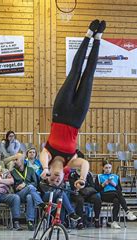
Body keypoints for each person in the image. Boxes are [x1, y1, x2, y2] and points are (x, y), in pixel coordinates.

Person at [39, 20, 106, 190]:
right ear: (63, 177)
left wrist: (45, 169)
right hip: (76, 117)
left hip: (60, 113)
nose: (54, 179)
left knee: (75, 73)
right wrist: (82, 179)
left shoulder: (48, 155)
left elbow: (42, 157)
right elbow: (84, 164)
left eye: (51, 180)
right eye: (57, 181)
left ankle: (88, 35)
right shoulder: (71, 161)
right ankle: (98, 38)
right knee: (88, 76)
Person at [95, 160, 137, 229]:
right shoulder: (99, 176)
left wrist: (114, 184)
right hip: (104, 195)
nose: (108, 169)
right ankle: (127, 211)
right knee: (117, 194)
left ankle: (114, 222)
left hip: (115, 195)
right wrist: (104, 184)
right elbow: (96, 189)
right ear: (103, 168)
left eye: (109, 167)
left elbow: (120, 189)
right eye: (106, 168)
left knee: (116, 200)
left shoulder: (115, 176)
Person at [10, 153, 45, 231]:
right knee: (30, 187)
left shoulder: (30, 170)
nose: (14, 161)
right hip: (19, 194)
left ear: (22, 160)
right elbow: (13, 187)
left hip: (30, 192)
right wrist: (19, 187)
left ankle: (30, 221)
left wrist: (24, 184)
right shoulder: (12, 172)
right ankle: (41, 203)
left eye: (16, 159)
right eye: (13, 160)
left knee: (30, 196)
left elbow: (35, 183)